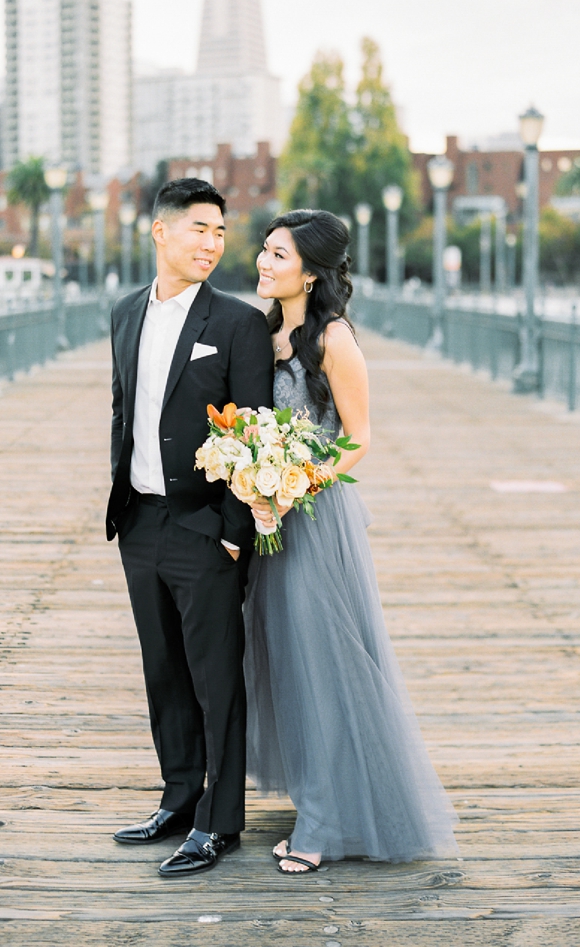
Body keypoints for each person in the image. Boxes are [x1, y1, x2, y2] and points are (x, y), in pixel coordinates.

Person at [243, 209, 459, 874]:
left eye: (278, 255)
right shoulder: (266, 331)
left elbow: (358, 437)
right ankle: (318, 799)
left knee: (325, 661)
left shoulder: (334, 339)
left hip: (315, 518)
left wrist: (295, 480)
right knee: (287, 662)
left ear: (309, 273)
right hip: (267, 516)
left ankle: (327, 825)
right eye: (266, 250)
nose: (262, 261)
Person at [106, 178, 274, 877]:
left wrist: (233, 529)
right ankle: (179, 796)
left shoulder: (237, 324)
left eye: (220, 232)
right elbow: (124, 411)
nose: (212, 242)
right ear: (160, 233)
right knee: (163, 670)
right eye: (199, 228)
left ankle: (218, 822)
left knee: (215, 679)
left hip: (205, 528)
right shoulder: (122, 314)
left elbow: (258, 429)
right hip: (140, 522)